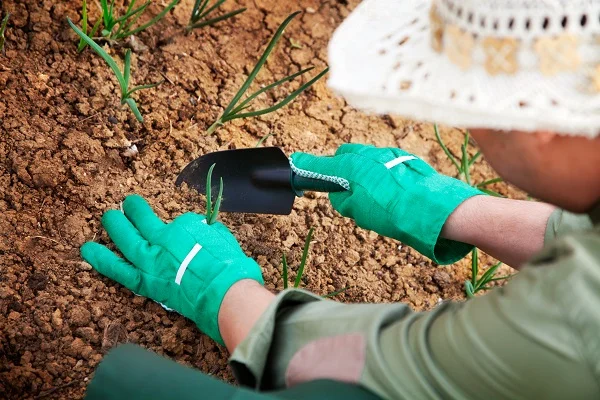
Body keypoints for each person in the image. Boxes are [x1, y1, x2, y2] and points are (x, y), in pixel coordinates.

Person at [81, 0, 600, 399]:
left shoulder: (572, 318)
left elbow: (378, 370)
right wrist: (442, 205)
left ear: (541, 123)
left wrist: (222, 291)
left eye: (465, 100)